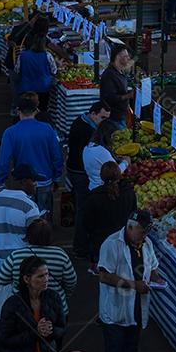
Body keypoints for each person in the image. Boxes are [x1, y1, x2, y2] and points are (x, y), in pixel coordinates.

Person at [97, 210, 165, 352]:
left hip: (137, 310)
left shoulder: (147, 243)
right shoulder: (111, 244)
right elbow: (104, 276)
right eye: (142, 232)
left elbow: (152, 267)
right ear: (130, 227)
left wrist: (158, 280)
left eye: (147, 232)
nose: (144, 236)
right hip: (115, 313)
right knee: (115, 349)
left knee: (132, 348)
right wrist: (135, 285)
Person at [0, 219, 77, 326]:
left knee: (22, 340)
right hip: (55, 310)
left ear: (29, 235)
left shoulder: (16, 255)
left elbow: (1, 278)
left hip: (23, 311)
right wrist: (63, 296)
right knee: (54, 339)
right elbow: (71, 281)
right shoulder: (60, 255)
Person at [0, 96, 63, 215]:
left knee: (24, 215)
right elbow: (57, 156)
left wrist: (0, 181)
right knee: (44, 215)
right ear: (36, 110)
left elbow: (3, 160)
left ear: (18, 111)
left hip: (23, 182)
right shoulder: (47, 129)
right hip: (45, 180)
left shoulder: (10, 132)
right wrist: (57, 177)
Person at [0, 255, 67, 352]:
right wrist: (35, 332)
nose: (46, 279)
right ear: (26, 279)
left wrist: (51, 330)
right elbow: (5, 339)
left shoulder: (54, 297)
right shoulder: (12, 304)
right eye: (40, 276)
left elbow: (62, 329)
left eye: (47, 274)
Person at [67, 100, 109, 257]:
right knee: (83, 209)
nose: (104, 122)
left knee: (81, 206)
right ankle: (80, 247)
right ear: (93, 113)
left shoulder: (81, 119)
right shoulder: (87, 129)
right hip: (79, 172)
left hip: (73, 169)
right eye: (102, 118)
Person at [0, 164, 42, 274]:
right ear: (23, 182)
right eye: (33, 180)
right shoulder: (30, 206)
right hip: (22, 266)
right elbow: (36, 240)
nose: (36, 184)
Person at [84, 162, 136, 267]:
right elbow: (133, 215)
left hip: (101, 243)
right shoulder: (129, 193)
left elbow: (87, 223)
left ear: (101, 176)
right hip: (123, 240)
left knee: (105, 272)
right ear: (119, 174)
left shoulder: (94, 197)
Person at [14, 36, 56, 118]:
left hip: (26, 87)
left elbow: (17, 70)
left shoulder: (22, 55)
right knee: (42, 110)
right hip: (43, 88)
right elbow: (54, 70)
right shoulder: (48, 56)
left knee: (26, 109)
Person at [83, 120, 130, 191]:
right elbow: (116, 172)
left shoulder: (87, 147)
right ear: (108, 135)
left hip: (92, 186)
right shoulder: (101, 151)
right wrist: (126, 162)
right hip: (102, 188)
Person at [99, 44, 135, 127]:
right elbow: (110, 98)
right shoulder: (110, 75)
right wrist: (128, 95)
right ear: (118, 57)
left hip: (121, 116)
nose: (128, 58)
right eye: (126, 56)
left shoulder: (120, 72)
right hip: (113, 118)